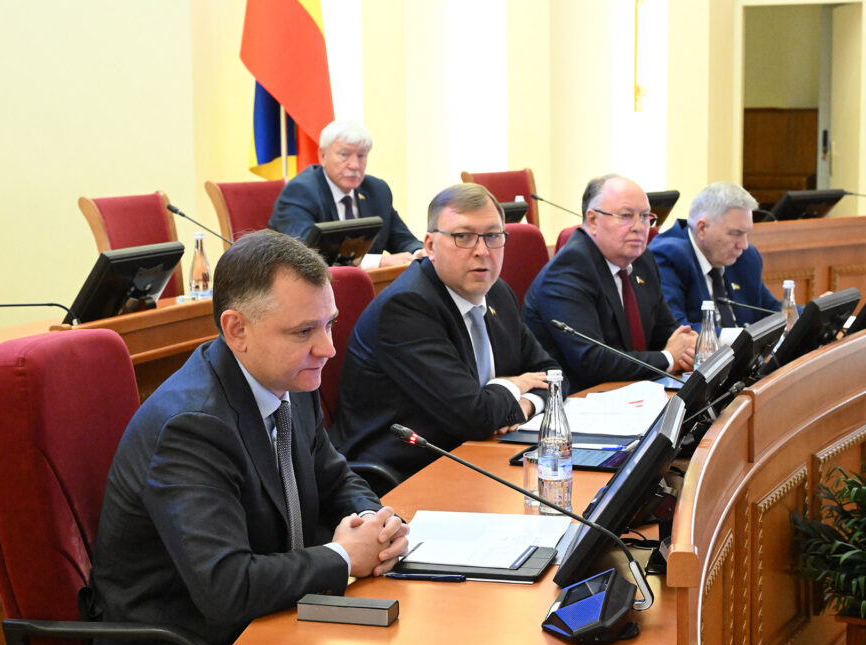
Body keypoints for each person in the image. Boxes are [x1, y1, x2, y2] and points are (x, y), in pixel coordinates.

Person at [87, 230, 409, 645]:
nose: (327, 348)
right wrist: (343, 556)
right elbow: (227, 587)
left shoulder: (292, 380)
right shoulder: (192, 426)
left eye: (329, 324)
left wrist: (376, 525)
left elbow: (335, 478)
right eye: (304, 331)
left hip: (273, 620)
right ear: (237, 329)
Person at [329, 183, 560, 484]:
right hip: (407, 474)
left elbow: (552, 375)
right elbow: (474, 417)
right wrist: (514, 385)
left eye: (492, 236)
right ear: (430, 246)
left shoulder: (497, 292)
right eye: (463, 236)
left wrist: (524, 404)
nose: (482, 251)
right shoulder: (407, 308)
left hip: (480, 455)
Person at [522, 174, 696, 393]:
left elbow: (665, 330)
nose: (639, 227)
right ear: (593, 220)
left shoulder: (642, 260)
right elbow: (592, 360)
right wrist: (669, 358)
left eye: (645, 216)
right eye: (626, 216)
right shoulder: (568, 269)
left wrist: (689, 346)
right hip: (579, 397)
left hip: (632, 391)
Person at [268, 120, 423, 268]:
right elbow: (307, 255)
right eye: (344, 155)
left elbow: (403, 239)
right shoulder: (300, 192)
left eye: (361, 156)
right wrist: (378, 262)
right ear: (323, 156)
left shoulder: (377, 190)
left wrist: (419, 253)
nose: (355, 165)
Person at [649, 181, 781, 334]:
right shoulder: (668, 256)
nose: (744, 245)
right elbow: (676, 329)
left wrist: (804, 316)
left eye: (746, 233)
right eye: (736, 233)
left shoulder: (746, 257)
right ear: (702, 228)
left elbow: (772, 310)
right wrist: (743, 336)